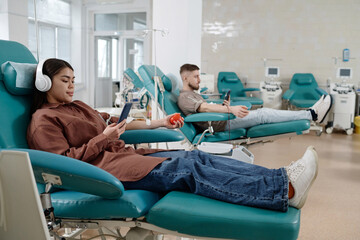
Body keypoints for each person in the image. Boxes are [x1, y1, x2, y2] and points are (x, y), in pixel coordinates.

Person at [27, 58, 319, 212]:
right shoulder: (43, 121)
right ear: (43, 83)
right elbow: (61, 164)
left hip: (126, 159)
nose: (72, 86)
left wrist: (158, 123)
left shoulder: (75, 106)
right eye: (65, 80)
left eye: (73, 80)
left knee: (194, 156)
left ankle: (282, 179)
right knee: (188, 168)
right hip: (104, 172)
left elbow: (116, 122)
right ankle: (283, 193)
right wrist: (104, 137)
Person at [177, 64, 332, 133]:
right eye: (195, 76)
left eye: (199, 76)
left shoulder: (194, 94)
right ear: (185, 78)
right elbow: (204, 108)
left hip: (223, 118)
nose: (199, 79)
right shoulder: (184, 97)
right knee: (264, 114)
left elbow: (206, 106)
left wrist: (225, 106)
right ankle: (312, 114)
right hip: (220, 124)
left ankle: (311, 113)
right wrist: (231, 109)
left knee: (264, 113)